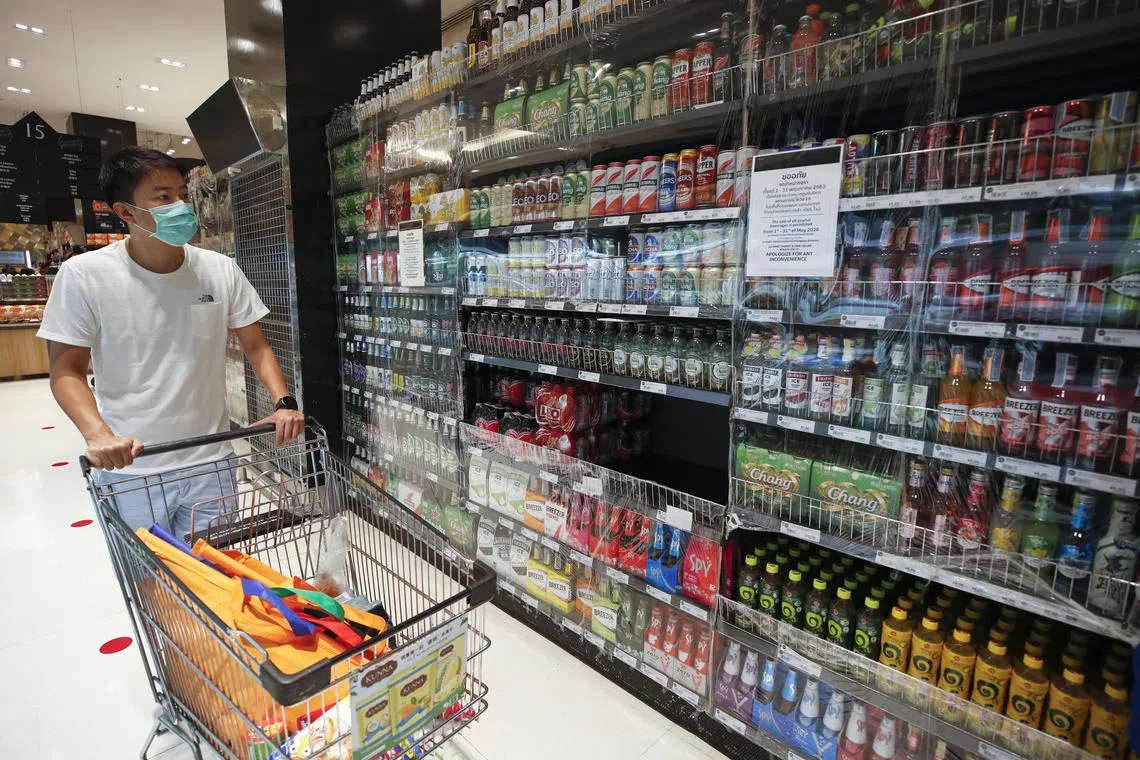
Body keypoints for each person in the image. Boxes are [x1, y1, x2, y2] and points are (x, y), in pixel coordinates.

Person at [37, 147, 305, 537]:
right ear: (125, 212)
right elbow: (67, 371)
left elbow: (257, 346)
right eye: (163, 197)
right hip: (134, 468)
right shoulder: (84, 276)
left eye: (182, 194)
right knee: (150, 585)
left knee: (216, 578)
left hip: (212, 460)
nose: (180, 206)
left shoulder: (219, 269)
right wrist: (97, 433)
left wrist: (283, 402)